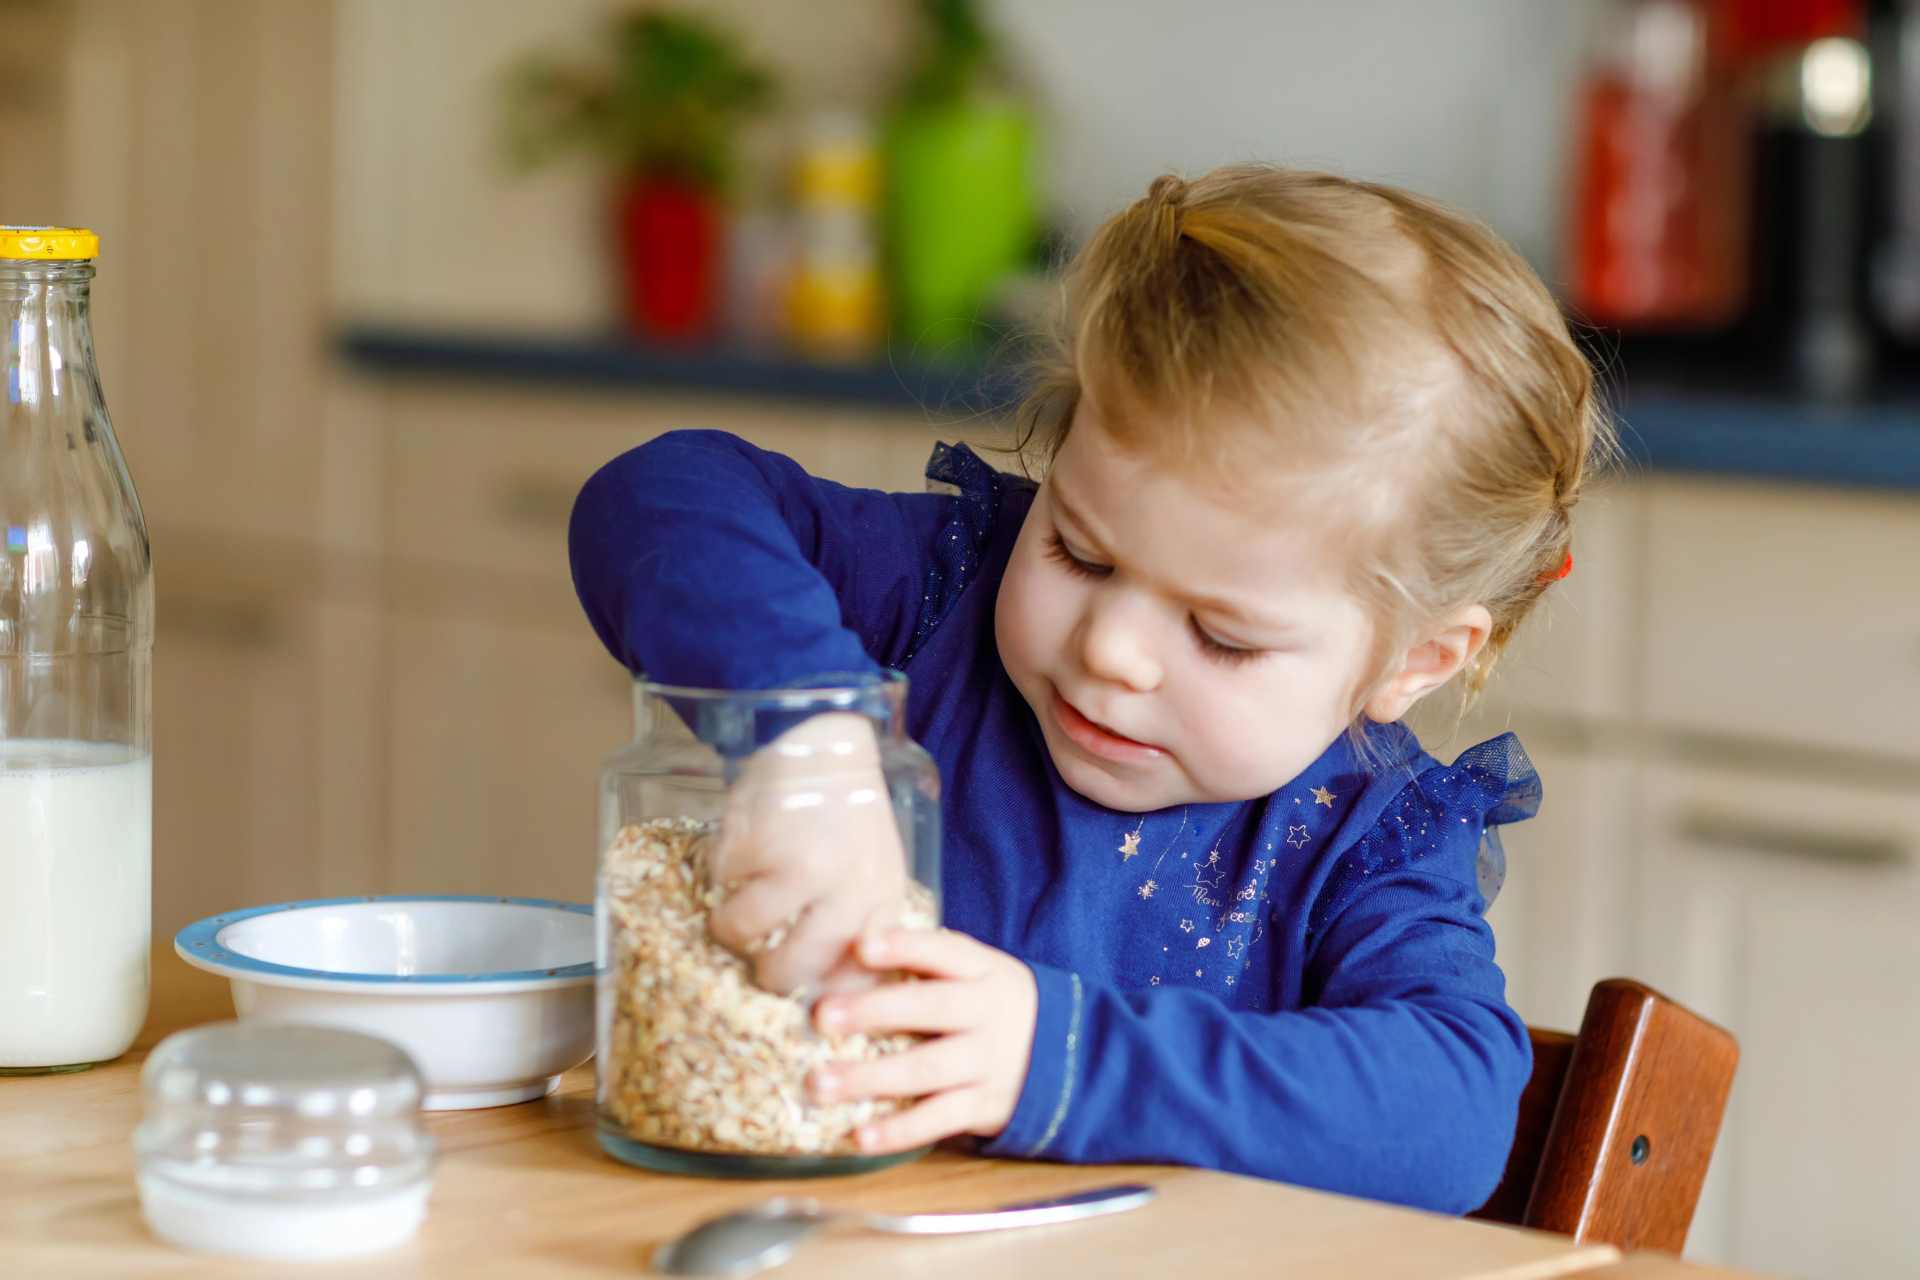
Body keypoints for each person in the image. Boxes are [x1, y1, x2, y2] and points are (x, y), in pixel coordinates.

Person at [568, 164, 1612, 1213]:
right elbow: (660, 492)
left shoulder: (1364, 842)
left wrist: (1055, 1059)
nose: (1112, 646)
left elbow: (1453, 1117)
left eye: (1220, 633)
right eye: (1077, 549)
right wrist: (806, 732)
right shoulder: (938, 596)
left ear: (1411, 660)